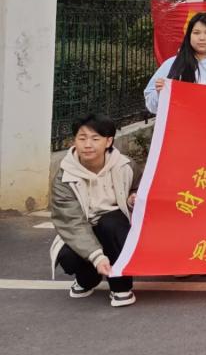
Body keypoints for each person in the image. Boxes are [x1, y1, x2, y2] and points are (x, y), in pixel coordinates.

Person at [49, 113, 139, 308]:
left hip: (114, 228)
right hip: (84, 227)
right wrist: (97, 257)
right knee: (67, 257)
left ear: (109, 141)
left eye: (95, 139)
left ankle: (121, 286)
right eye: (82, 138)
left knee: (112, 222)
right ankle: (87, 279)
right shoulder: (64, 177)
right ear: (74, 141)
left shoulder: (126, 166)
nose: (87, 145)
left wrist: (133, 198)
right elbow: (71, 222)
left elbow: (139, 189)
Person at [144, 12, 206, 113]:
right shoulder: (172, 65)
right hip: (182, 122)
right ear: (189, 36)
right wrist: (159, 92)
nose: (202, 38)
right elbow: (151, 106)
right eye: (196, 33)